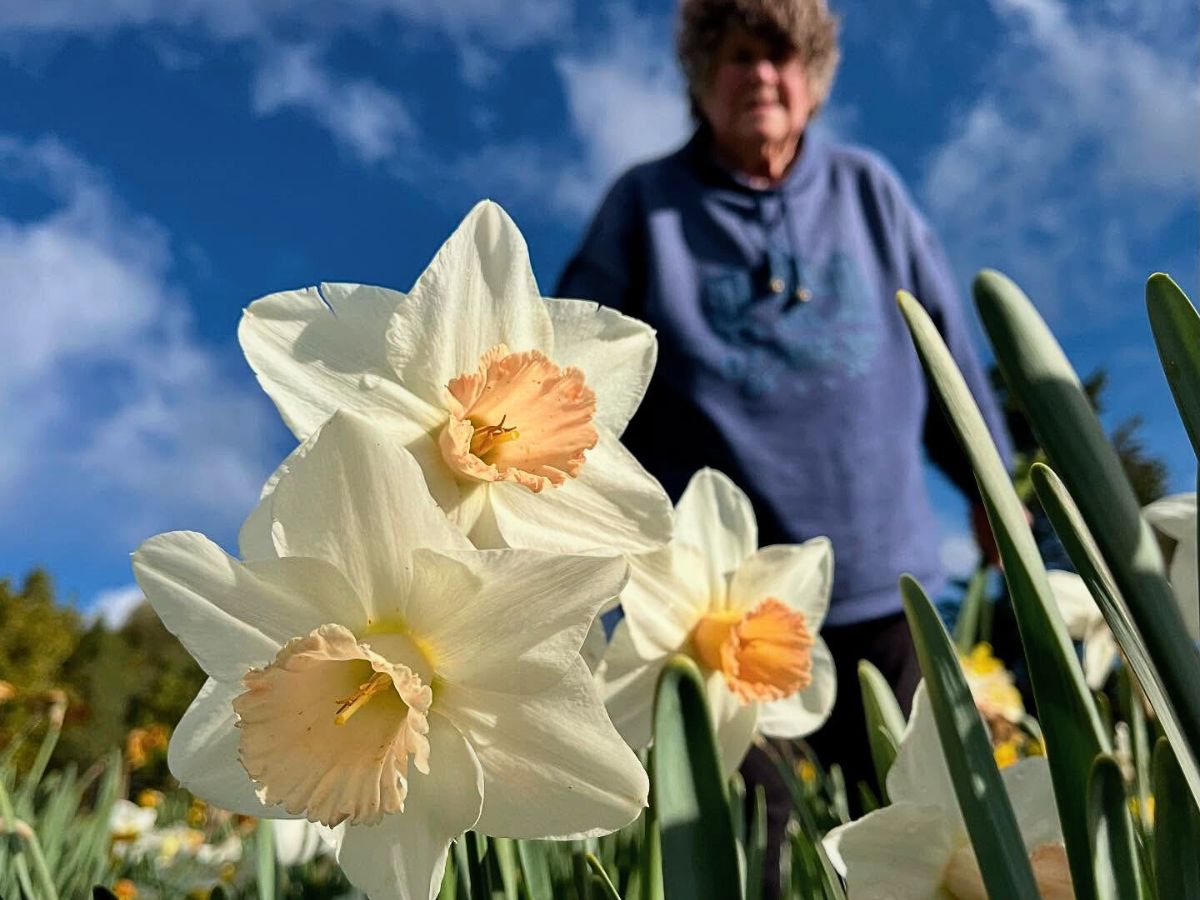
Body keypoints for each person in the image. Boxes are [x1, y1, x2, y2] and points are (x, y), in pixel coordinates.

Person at [556, 0, 1013, 893]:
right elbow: (576, 365)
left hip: (882, 580)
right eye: (736, 56)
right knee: (747, 848)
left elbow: (946, 353)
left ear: (813, 79)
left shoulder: (869, 191)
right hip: (705, 602)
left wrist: (992, 489)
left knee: (926, 823)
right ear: (700, 76)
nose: (762, 75)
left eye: (784, 57)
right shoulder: (646, 205)